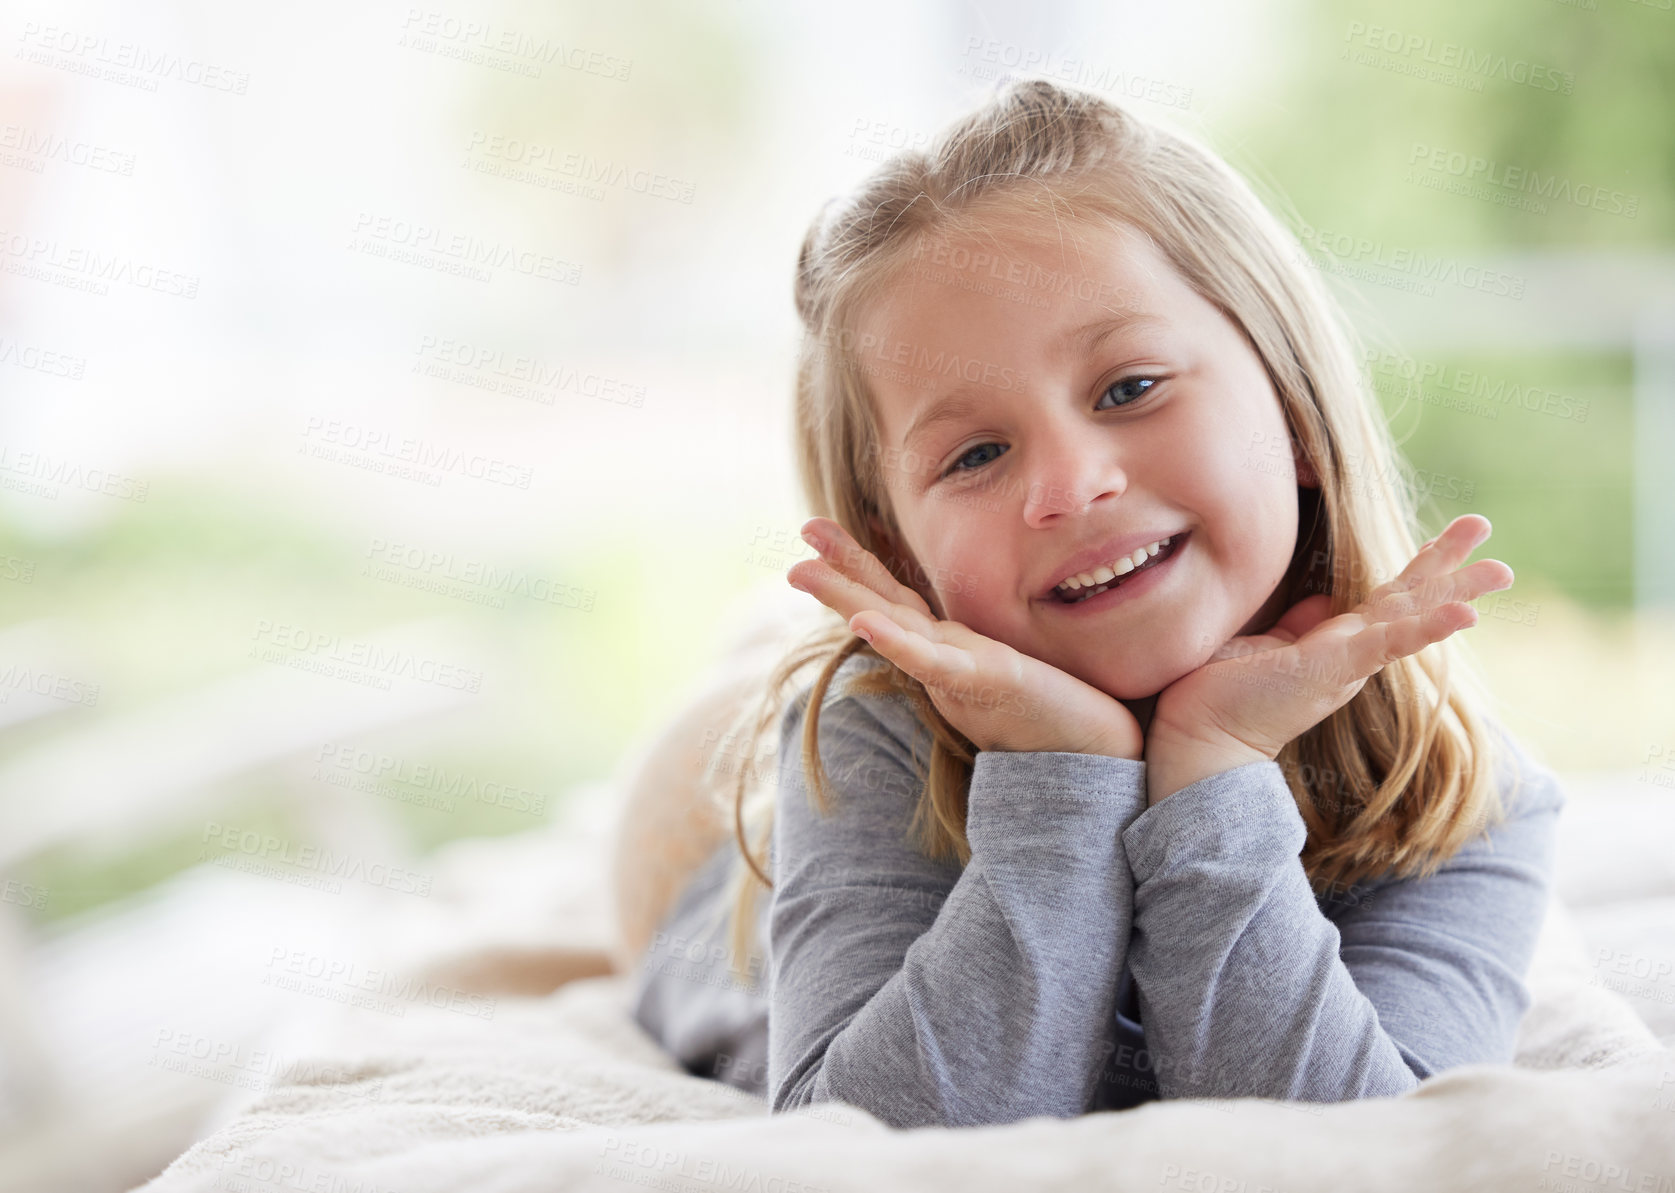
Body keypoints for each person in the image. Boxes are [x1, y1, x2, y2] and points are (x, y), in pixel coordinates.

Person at [624, 76, 1564, 1130]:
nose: (1070, 487)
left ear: (1296, 410)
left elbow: (1353, 1143)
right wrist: (1060, 779)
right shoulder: (867, 733)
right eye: (975, 453)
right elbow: (878, 1141)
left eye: (1130, 388)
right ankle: (759, 648)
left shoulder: (1463, 795)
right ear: (900, 549)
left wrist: (1211, 771)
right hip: (697, 856)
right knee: (747, 704)